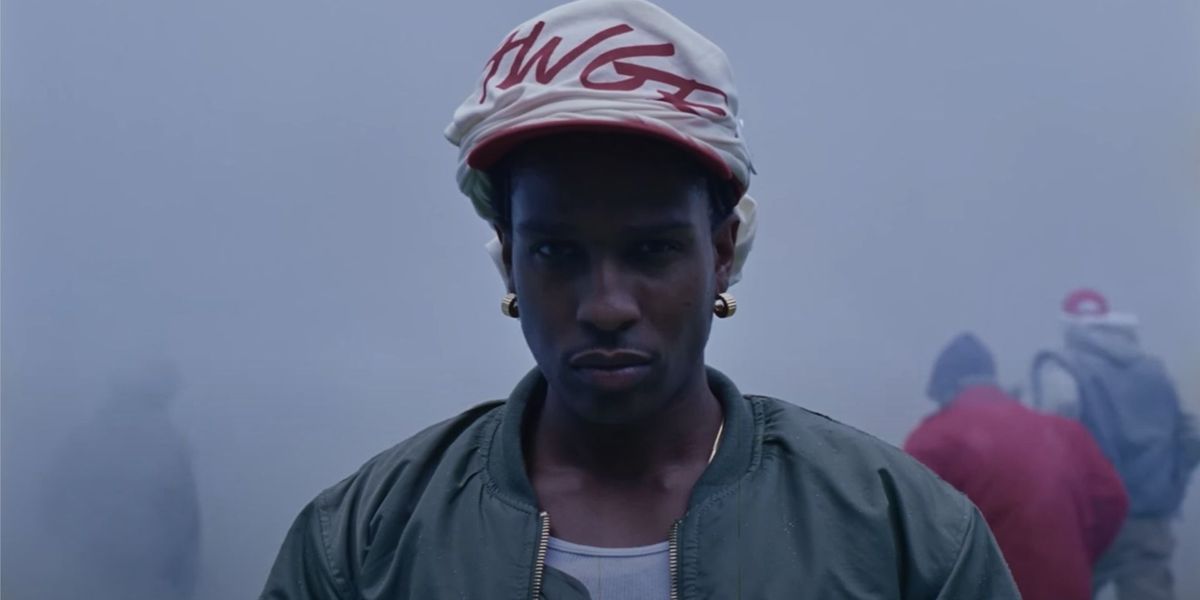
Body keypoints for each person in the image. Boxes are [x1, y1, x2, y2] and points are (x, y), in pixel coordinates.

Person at [261, 1, 1019, 597]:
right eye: (557, 252)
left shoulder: (903, 532)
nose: (606, 305)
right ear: (508, 260)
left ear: (721, 253)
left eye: (652, 250)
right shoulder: (362, 541)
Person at [905, 333, 1129, 600]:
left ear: (945, 389)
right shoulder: (1066, 433)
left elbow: (908, 528)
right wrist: (1077, 557)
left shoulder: (934, 440)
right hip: (1066, 588)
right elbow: (1113, 500)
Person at [1031, 289, 1200, 600]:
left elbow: (1054, 432)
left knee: (1069, 590)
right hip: (1150, 517)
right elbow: (1192, 436)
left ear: (1068, 326)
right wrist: (1171, 485)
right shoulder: (1154, 370)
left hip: (1090, 517)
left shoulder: (1061, 367)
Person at [42, 359, 201, 600]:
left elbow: (51, 504)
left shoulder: (84, 438)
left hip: (104, 575)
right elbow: (187, 528)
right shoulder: (169, 447)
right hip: (124, 575)